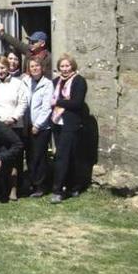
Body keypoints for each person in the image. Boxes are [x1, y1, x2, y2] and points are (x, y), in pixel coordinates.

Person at [0, 56, 29, 200]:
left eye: (3, 68)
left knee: (14, 159)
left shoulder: (18, 83)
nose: (0, 71)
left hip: (14, 126)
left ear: (8, 68)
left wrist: (14, 118)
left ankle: (13, 189)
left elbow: (23, 102)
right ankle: (0, 189)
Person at [50, 54, 89, 203]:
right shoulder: (56, 82)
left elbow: (77, 103)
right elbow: (51, 101)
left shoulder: (79, 81)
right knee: (68, 155)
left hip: (70, 124)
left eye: (67, 66)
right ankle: (73, 186)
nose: (65, 69)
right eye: (62, 66)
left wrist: (59, 101)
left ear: (72, 66)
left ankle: (58, 191)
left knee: (62, 156)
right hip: (57, 122)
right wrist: (64, 101)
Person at [24, 56, 54, 197]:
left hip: (41, 127)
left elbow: (46, 108)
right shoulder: (26, 81)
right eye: (32, 66)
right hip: (27, 125)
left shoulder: (47, 84)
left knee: (39, 157)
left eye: (37, 66)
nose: (34, 69)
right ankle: (32, 183)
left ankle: (41, 186)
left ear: (42, 68)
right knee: (30, 156)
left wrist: (37, 124)